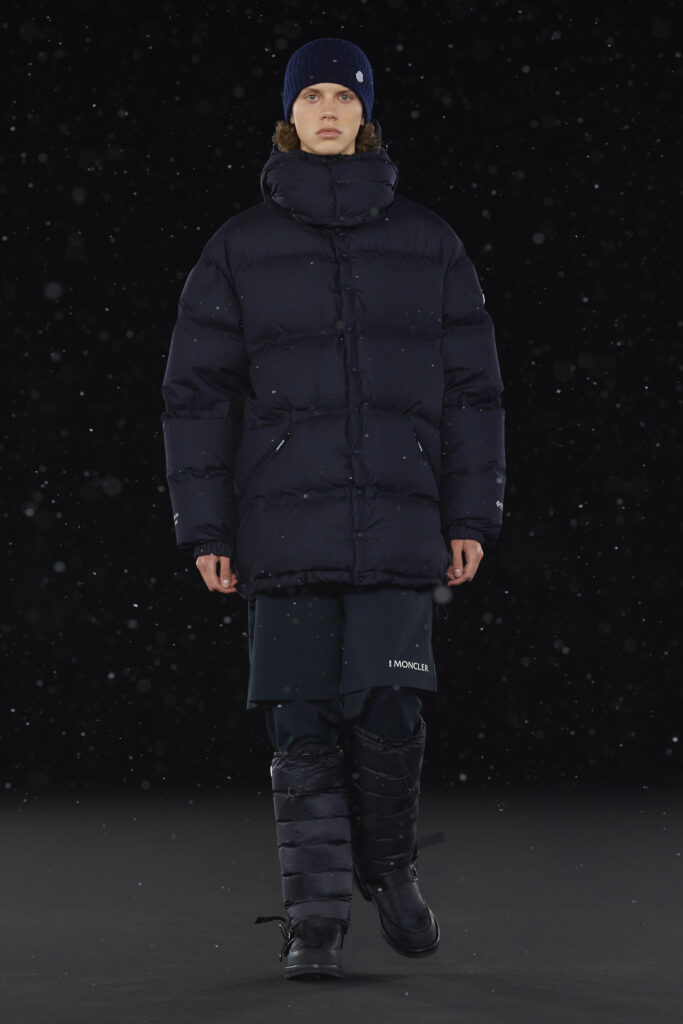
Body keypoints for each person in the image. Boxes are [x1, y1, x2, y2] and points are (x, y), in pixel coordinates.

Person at [160, 37, 506, 980]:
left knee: (389, 703)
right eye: (309, 95)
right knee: (300, 718)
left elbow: (473, 390)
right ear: (289, 115)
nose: (326, 110)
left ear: (364, 116)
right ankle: (313, 918)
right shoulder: (239, 247)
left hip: (401, 515)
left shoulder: (429, 242)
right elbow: (196, 397)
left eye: (342, 96)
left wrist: (470, 515)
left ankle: (386, 867)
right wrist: (206, 529)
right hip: (281, 522)